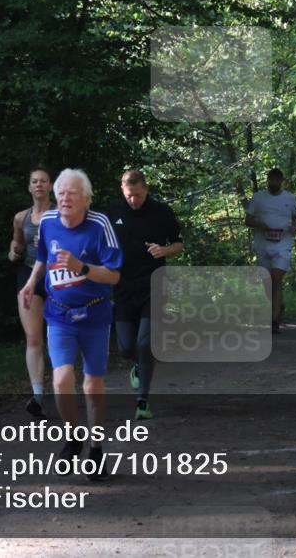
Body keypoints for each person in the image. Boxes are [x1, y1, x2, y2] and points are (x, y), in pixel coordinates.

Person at [19, 169, 122, 481]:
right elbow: (41, 255)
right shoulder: (48, 221)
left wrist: (82, 268)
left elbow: (115, 275)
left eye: (71, 193)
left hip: (94, 314)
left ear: (86, 199)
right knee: (61, 380)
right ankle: (74, 436)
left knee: (92, 386)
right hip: (59, 313)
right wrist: (31, 282)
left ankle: (96, 448)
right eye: (61, 192)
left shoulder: (100, 226)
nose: (64, 198)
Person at [108, 169, 184, 420]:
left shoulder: (162, 212)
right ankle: (138, 366)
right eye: (129, 196)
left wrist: (164, 250)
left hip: (153, 285)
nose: (134, 201)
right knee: (126, 347)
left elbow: (179, 244)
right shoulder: (113, 213)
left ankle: (143, 401)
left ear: (146, 189)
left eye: (138, 195)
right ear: (123, 191)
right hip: (122, 287)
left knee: (144, 344)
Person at [9, 166, 53, 419]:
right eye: (34, 181)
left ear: (50, 186)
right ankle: (37, 396)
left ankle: (62, 383)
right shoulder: (20, 217)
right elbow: (16, 243)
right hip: (28, 276)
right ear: (29, 187)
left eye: (43, 181)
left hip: (57, 277)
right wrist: (13, 251)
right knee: (34, 337)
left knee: (59, 334)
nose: (38, 185)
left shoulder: (62, 214)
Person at [244, 168, 296, 334]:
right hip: (263, 244)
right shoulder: (258, 197)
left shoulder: (290, 198)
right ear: (267, 180)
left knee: (277, 277)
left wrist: (294, 227)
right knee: (268, 282)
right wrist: (262, 225)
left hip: (282, 244)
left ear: (282, 180)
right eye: (271, 179)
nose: (274, 182)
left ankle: (274, 320)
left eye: (277, 180)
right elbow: (248, 220)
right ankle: (278, 305)